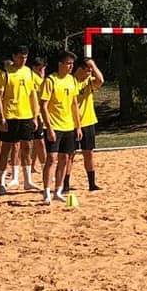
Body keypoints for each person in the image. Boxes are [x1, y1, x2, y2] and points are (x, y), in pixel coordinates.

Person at [0, 45, 40, 195]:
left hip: (26, 116)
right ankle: (1, 182)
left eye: (25, 57)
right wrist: (2, 117)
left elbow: (33, 95)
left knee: (27, 148)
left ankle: (27, 181)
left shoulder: (29, 72)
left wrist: (35, 116)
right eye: (21, 57)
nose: (23, 60)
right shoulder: (5, 73)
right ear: (14, 56)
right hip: (10, 116)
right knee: (6, 149)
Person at [39, 50, 82, 205]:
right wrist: (49, 128)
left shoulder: (72, 80)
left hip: (69, 126)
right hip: (54, 126)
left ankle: (58, 190)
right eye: (68, 63)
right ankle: (46, 192)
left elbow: (74, 104)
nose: (71, 66)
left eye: (72, 64)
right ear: (60, 64)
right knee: (51, 159)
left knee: (65, 159)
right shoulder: (50, 80)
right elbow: (43, 106)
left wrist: (78, 126)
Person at [70, 56, 105, 192]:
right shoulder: (70, 81)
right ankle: (65, 184)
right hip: (71, 123)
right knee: (69, 155)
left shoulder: (89, 82)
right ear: (80, 69)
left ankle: (92, 184)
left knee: (88, 153)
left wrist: (93, 64)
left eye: (91, 71)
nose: (90, 73)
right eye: (88, 70)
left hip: (88, 122)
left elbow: (100, 80)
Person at [30, 57, 48, 173]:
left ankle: (32, 165)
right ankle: (45, 168)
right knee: (39, 142)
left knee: (38, 141)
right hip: (33, 113)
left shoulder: (36, 77)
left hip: (39, 113)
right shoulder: (34, 78)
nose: (42, 70)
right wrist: (42, 77)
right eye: (41, 68)